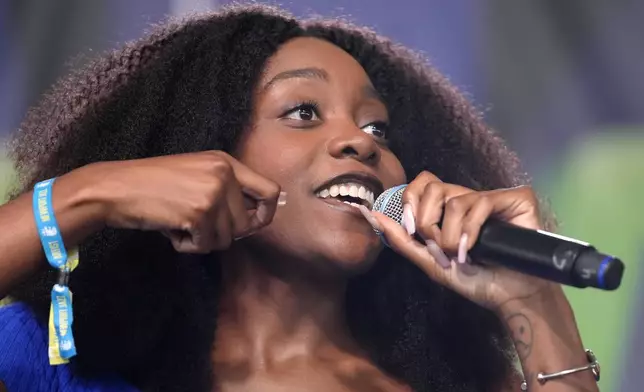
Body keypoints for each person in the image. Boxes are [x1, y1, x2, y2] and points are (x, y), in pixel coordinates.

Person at [0, 4, 599, 392]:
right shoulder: (66, 362)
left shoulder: (459, 382)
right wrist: (90, 193)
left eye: (377, 129)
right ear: (204, 148)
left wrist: (533, 299)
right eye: (303, 112)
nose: (358, 144)